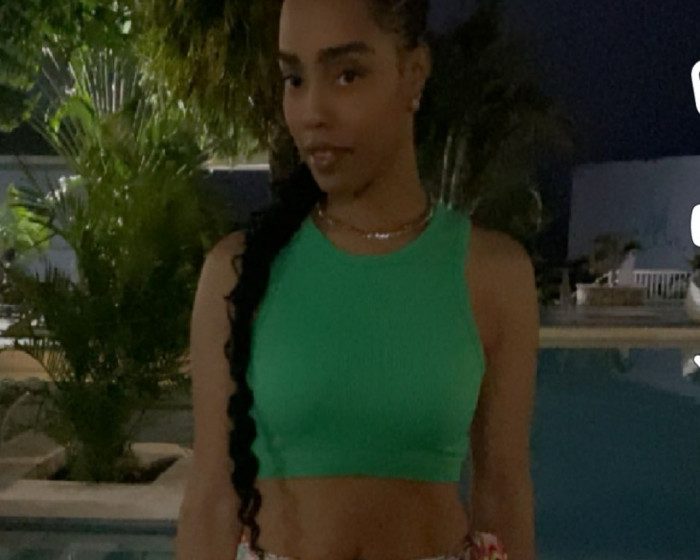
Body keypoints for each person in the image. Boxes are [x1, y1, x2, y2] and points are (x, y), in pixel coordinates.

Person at [175, 0, 539, 559]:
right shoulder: (237, 271)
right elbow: (210, 499)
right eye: (295, 79)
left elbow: (503, 493)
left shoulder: (492, 274)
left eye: (347, 74)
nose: (312, 112)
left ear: (413, 73)